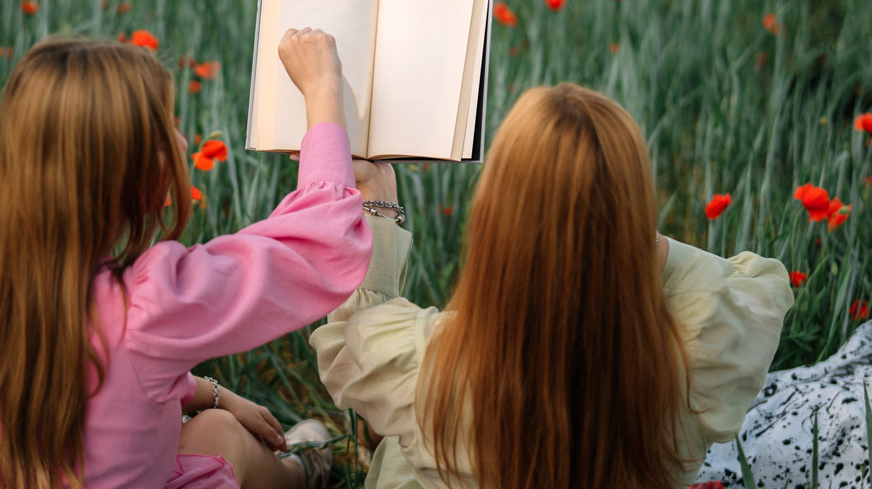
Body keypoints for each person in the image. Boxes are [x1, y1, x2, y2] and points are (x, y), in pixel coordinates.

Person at [0, 29, 370, 489]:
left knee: (217, 425)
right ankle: (300, 472)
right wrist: (322, 89)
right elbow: (321, 244)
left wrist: (213, 394)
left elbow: (78, 368)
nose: (182, 143)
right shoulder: (145, 309)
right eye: (165, 131)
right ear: (117, 169)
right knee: (222, 438)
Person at [312, 83, 795, 488]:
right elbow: (747, 284)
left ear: (495, 217)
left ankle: (312, 453)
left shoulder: (435, 367)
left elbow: (349, 342)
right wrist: (621, 232)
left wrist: (378, 204)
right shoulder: (699, 351)